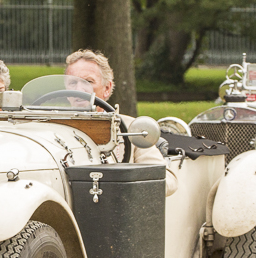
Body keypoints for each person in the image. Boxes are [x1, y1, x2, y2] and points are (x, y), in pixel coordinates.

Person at [64, 49, 178, 196]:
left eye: (88, 81)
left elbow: (167, 180)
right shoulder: (51, 128)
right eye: (72, 83)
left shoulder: (132, 128)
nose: (78, 89)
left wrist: (123, 185)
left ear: (107, 88)